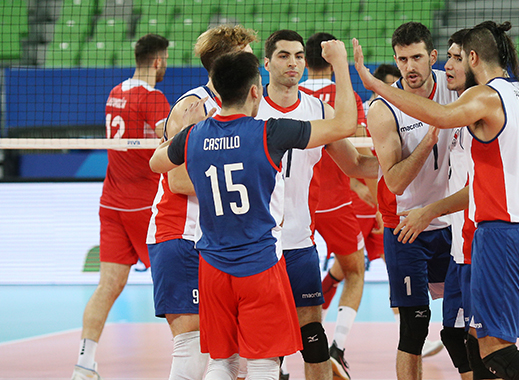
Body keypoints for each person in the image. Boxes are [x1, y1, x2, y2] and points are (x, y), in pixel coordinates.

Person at [354, 21, 519, 380]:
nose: (449, 65)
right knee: (470, 340)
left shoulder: (484, 97)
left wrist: (376, 85)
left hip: (501, 233)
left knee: (496, 351)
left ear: (473, 57)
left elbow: (442, 116)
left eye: (457, 57)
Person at [149, 44, 358, 378]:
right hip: (258, 265)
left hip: (213, 268)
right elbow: (345, 124)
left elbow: (156, 163)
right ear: (255, 92)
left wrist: (186, 131)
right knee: (263, 363)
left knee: (223, 362)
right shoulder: (269, 132)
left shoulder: (194, 136)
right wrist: (341, 64)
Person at [257, 30, 379, 380]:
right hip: (259, 246)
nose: (293, 62)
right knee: (263, 342)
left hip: (299, 244)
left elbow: (356, 165)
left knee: (312, 338)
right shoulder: (251, 108)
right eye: (283, 55)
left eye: (298, 56)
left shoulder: (318, 109)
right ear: (266, 63)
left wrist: (408, 162)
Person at [145, 25, 258, 380]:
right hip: (181, 233)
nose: (254, 62)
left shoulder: (241, 106)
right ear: (227, 59)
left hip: (218, 242)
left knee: (233, 353)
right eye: (247, 54)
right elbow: (177, 180)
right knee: (191, 347)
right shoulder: (193, 105)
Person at [71, 33, 170, 380]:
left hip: (111, 203)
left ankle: (84, 364)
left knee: (108, 286)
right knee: (175, 284)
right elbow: (170, 139)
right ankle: (195, 358)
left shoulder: (115, 92)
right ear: (157, 61)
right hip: (144, 206)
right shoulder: (153, 97)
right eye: (165, 60)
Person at [362, 21, 458, 380]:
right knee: (414, 328)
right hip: (406, 227)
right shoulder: (383, 107)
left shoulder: (456, 89)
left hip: (453, 223)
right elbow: (395, 181)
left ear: (432, 56)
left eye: (416, 57)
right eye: (402, 60)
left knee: (463, 325)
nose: (409, 67)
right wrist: (428, 141)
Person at [298, 31, 370, 380]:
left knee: (288, 282)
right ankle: (337, 347)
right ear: (330, 60)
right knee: (355, 271)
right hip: (337, 203)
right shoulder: (346, 96)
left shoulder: (290, 96)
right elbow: (362, 150)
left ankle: (279, 361)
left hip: (301, 204)